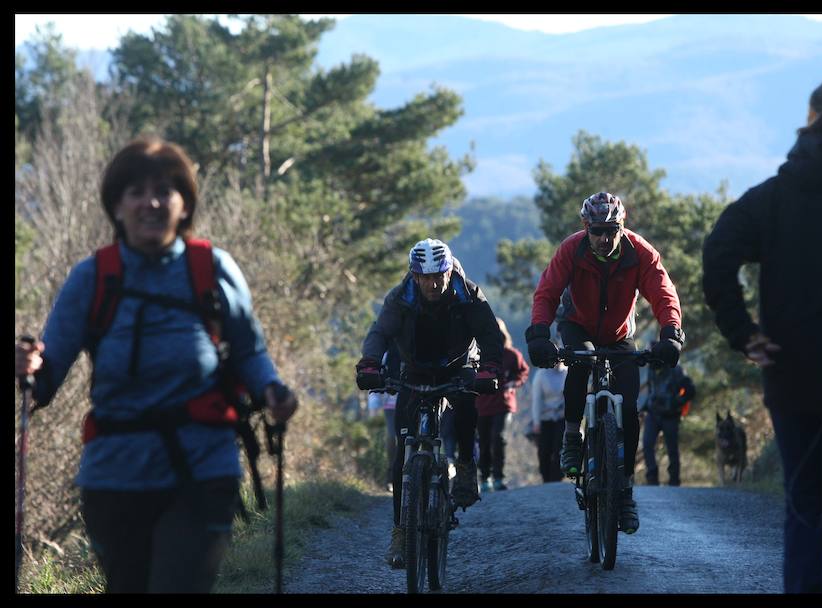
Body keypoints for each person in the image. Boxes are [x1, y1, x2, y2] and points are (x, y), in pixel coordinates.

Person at [13, 138, 298, 593]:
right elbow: (46, 376)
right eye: (136, 192)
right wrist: (27, 366)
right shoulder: (93, 277)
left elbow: (248, 352)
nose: (151, 202)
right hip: (113, 475)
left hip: (203, 468)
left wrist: (272, 391)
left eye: (164, 191)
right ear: (117, 205)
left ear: (184, 205)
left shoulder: (213, 269)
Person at [702, 80, 822, 593]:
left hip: (791, 376)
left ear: (808, 119)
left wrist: (744, 333)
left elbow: (717, 256)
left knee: (805, 511)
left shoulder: (771, 198)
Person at [526, 191, 684, 535]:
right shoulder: (572, 249)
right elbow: (548, 291)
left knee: (628, 409)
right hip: (577, 324)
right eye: (597, 230)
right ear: (586, 227)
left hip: (618, 335)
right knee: (579, 362)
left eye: (611, 230)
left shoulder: (640, 252)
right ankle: (572, 436)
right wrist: (539, 333)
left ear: (622, 226)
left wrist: (671, 333)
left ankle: (624, 490)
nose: (604, 238)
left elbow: (663, 292)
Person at [355, 237, 504, 568]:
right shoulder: (401, 297)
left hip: (457, 364)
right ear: (414, 275)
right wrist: (369, 364)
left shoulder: (468, 294)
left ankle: (465, 467)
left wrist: (491, 368)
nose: (432, 283)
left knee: (467, 404)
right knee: (403, 448)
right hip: (416, 368)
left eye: (439, 275)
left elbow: (491, 334)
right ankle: (400, 532)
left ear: (449, 272)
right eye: (425, 277)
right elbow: (380, 332)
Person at [475, 317, 529, 492]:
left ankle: (499, 477)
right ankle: (485, 478)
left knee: (499, 438)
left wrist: (513, 383)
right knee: (483, 441)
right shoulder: (479, 354)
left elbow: (523, 371)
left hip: (504, 403)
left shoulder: (512, 355)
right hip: (482, 404)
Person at [639, 358, 695, 486]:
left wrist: (677, 402)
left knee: (672, 449)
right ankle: (652, 479)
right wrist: (644, 407)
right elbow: (651, 390)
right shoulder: (651, 369)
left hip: (671, 415)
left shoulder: (676, 370)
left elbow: (690, 390)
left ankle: (674, 481)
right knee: (647, 444)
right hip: (653, 414)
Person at [530, 337, 567, 483]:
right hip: (545, 418)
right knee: (544, 450)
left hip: (562, 416)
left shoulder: (567, 373)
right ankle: (546, 479)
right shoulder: (542, 375)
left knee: (559, 447)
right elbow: (537, 399)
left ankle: (557, 478)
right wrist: (536, 421)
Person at [366, 341, 402, 491]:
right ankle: (392, 473)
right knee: (393, 437)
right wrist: (374, 406)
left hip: (415, 397)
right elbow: (376, 375)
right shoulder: (388, 350)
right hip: (392, 403)